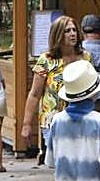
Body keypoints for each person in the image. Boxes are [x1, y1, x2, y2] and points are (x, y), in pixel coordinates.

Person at [22, 15, 92, 165]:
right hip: (52, 119)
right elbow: (34, 94)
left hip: (79, 116)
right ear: (58, 35)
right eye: (67, 31)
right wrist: (27, 124)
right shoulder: (46, 60)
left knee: (77, 161)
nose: (72, 34)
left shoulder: (85, 57)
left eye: (74, 30)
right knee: (61, 161)